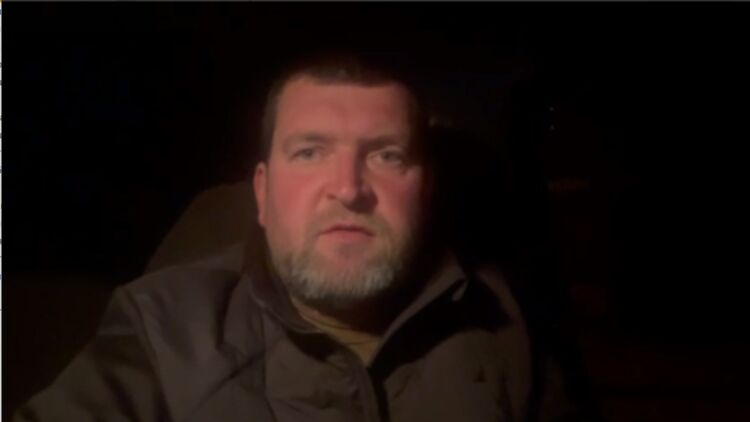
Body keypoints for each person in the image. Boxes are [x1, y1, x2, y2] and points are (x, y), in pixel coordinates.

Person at [15, 53, 586, 422]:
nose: (349, 188)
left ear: (426, 191)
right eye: (310, 152)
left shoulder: (508, 325)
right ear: (262, 193)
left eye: (386, 156)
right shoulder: (163, 328)